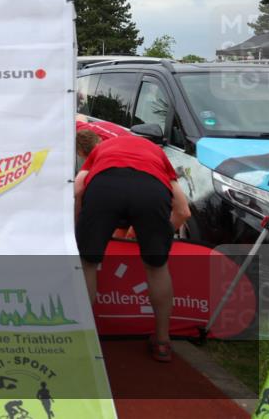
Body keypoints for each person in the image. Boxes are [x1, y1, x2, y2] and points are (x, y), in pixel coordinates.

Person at [74, 129, 191, 363]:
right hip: (150, 191)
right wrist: (160, 236)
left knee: (88, 262)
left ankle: (82, 338)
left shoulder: (101, 150)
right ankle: (162, 341)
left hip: (105, 187)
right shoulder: (157, 154)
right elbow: (183, 211)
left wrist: (79, 227)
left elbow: (78, 188)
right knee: (157, 267)